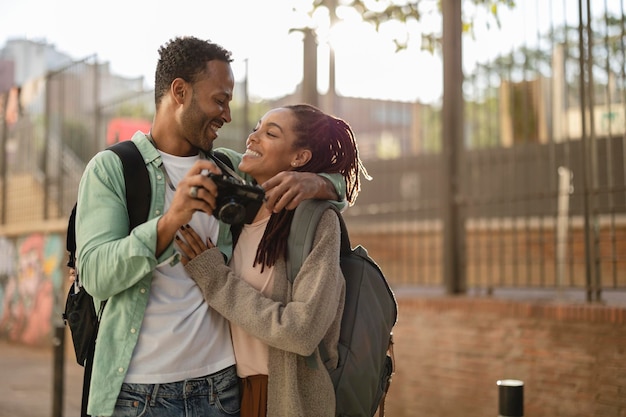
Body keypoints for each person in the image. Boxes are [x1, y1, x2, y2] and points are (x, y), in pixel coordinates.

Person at [75, 37, 346, 417]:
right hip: (138, 394)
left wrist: (323, 184)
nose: (228, 115)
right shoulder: (112, 169)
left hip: (221, 390)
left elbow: (302, 169)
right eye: (220, 100)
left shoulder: (231, 169)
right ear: (180, 92)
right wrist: (171, 221)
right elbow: (97, 276)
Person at [177, 103, 370, 417]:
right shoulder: (236, 208)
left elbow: (302, 332)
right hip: (225, 396)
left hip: (285, 398)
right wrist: (328, 183)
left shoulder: (316, 222)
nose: (253, 137)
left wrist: (215, 279)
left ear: (299, 157)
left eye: (270, 133)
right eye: (257, 127)